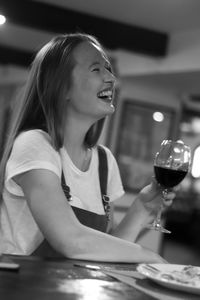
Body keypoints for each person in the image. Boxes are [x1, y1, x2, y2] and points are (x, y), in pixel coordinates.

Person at [0, 33, 175, 262]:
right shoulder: (35, 145)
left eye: (109, 69)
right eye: (96, 69)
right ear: (62, 88)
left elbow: (99, 252)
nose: (111, 78)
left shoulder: (104, 161)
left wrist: (141, 208)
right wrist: (153, 259)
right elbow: (71, 241)